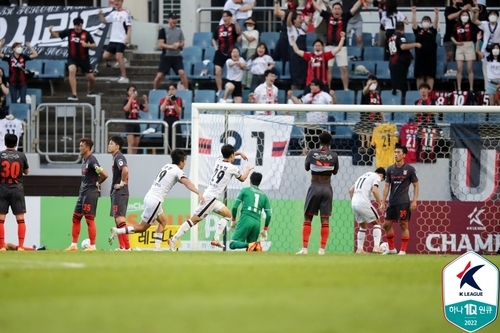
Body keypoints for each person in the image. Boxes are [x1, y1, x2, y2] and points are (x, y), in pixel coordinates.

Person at [109, 149, 204, 251]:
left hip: (149, 196)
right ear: (181, 161)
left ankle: (157, 248)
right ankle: (117, 231)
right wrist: (198, 193)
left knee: (163, 221)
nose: (185, 163)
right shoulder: (178, 171)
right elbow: (187, 183)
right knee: (142, 228)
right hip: (155, 201)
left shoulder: (167, 166)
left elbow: (172, 180)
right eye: (185, 161)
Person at [168, 144, 253, 251]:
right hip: (210, 198)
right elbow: (243, 179)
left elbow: (228, 155)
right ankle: (174, 239)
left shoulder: (218, 160)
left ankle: (216, 239)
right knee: (193, 220)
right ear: (232, 155)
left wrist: (239, 153)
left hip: (212, 197)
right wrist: (248, 170)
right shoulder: (233, 168)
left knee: (227, 214)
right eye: (234, 155)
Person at [296, 131, 338, 255]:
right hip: (327, 188)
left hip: (314, 187)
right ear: (330, 142)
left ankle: (304, 249)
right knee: (325, 220)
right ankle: (322, 250)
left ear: (319, 141)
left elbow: (306, 168)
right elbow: (335, 172)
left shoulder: (312, 153)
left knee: (307, 217)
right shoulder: (334, 155)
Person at [311, 0, 369, 90]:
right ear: (332, 10)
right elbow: (318, 8)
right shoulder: (327, 16)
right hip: (329, 47)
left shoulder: (345, 17)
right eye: (335, 9)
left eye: (338, 9)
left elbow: (354, 8)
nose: (337, 11)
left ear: (341, 11)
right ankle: (328, 89)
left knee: (344, 69)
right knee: (328, 69)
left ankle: (346, 89)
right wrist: (311, 1)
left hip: (341, 47)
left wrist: (361, 1)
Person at [64, 138, 108, 251]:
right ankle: (73, 245)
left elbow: (104, 174)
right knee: (76, 218)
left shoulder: (92, 160)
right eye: (79, 146)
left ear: (88, 147)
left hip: (90, 193)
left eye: (81, 146)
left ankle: (92, 246)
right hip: (82, 193)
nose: (79, 148)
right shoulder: (84, 160)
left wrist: (97, 183)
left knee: (89, 219)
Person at [380, 145, 419, 255]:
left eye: (398, 152)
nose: (396, 154)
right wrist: (383, 202)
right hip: (392, 202)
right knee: (386, 225)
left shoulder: (409, 169)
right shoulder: (390, 169)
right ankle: (392, 249)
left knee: (403, 225)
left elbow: (416, 185)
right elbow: (387, 186)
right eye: (395, 152)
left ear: (404, 155)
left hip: (403, 202)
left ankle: (403, 250)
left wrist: (415, 201)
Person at [49, 17, 97, 101]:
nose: (78, 28)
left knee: (91, 78)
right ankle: (74, 94)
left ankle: (90, 92)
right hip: (72, 57)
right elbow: (56, 35)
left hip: (84, 58)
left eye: (80, 26)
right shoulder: (69, 31)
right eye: (77, 26)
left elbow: (94, 44)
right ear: (74, 25)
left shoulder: (86, 33)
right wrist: (51, 31)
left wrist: (87, 45)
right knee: (72, 71)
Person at [287, 79, 335, 151]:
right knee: (310, 149)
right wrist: (291, 96)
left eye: (312, 85)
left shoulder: (325, 95)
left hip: (320, 126)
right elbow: (299, 103)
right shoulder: (308, 95)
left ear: (318, 86)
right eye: (311, 85)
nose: (311, 87)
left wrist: (333, 96)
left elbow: (333, 104)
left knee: (320, 148)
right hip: (309, 126)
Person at [0, 133, 29, 251]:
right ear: (16, 143)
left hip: (2, 189)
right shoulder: (21, 155)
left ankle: (2, 246)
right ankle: (21, 246)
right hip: (17, 189)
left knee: (1, 219)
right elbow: (27, 172)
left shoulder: (0, 155)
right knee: (20, 218)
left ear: (5, 142)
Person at [229, 172, 271, 251]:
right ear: (259, 182)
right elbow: (269, 215)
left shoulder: (245, 190)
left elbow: (234, 207)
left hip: (246, 218)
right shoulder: (264, 196)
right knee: (251, 249)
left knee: (232, 243)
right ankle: (254, 246)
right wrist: (265, 229)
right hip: (257, 223)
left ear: (250, 180)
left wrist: (233, 220)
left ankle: (251, 244)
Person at [349, 167, 386, 254]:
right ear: (381, 175)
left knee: (363, 225)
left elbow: (350, 191)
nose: (380, 181)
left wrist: (355, 203)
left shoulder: (363, 176)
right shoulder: (376, 177)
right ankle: (376, 247)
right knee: (377, 222)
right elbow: (374, 191)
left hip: (354, 202)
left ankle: (359, 249)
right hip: (363, 202)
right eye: (382, 179)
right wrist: (380, 203)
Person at [99, 0, 132, 83]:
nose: (116, 3)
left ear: (122, 2)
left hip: (121, 39)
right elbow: (104, 21)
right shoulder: (113, 13)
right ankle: (122, 59)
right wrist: (100, 14)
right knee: (105, 56)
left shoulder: (126, 13)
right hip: (113, 39)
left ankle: (124, 77)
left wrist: (127, 38)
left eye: (118, 1)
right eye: (115, 1)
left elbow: (129, 27)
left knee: (118, 56)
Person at [154, 12, 189, 91]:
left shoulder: (179, 30)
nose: (174, 20)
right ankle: (155, 89)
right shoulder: (163, 30)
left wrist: (179, 45)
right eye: (172, 19)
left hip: (177, 56)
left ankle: (186, 90)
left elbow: (182, 42)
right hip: (166, 56)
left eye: (176, 19)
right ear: (168, 20)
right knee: (159, 76)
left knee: (182, 73)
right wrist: (171, 46)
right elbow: (161, 44)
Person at [107, 136, 130, 251]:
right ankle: (122, 247)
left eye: (111, 143)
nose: (109, 145)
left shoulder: (119, 156)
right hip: (117, 192)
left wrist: (121, 183)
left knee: (120, 219)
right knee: (117, 219)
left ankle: (127, 247)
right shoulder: (115, 157)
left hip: (120, 192)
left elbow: (125, 170)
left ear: (117, 146)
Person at [213, 11, 241, 99]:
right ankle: (219, 90)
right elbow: (214, 39)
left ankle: (233, 90)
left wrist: (235, 22)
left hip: (231, 53)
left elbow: (238, 33)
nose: (224, 18)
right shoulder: (219, 28)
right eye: (223, 17)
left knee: (233, 71)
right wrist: (215, 47)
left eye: (226, 16)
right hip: (220, 52)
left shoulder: (233, 27)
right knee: (217, 72)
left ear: (230, 17)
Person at [0, 39, 38, 104]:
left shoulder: (23, 57)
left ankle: (23, 113)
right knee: (14, 101)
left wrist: (29, 46)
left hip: (23, 83)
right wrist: (1, 44)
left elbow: (35, 55)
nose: (20, 48)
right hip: (13, 83)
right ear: (14, 49)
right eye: (18, 46)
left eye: (20, 46)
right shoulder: (9, 57)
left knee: (23, 101)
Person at [451, 10, 480, 92]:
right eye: (463, 15)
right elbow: (452, 36)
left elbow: (475, 19)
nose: (464, 16)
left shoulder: (471, 24)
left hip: (469, 45)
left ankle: (471, 88)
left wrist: (474, 12)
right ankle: (459, 88)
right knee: (459, 68)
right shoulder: (456, 25)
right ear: (460, 16)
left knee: (469, 68)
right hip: (459, 46)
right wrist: (456, 42)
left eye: (466, 15)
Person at [388, 21, 421, 94]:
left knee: (395, 85)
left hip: (392, 62)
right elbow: (403, 46)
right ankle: (401, 101)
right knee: (400, 85)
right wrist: (415, 44)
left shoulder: (391, 37)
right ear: (403, 29)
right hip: (399, 63)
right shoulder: (400, 36)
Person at [412, 7, 439, 90]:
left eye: (428, 21)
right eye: (424, 20)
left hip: (431, 58)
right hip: (420, 57)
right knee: (420, 76)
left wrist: (437, 14)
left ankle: (429, 96)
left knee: (430, 76)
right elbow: (414, 24)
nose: (426, 22)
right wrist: (413, 13)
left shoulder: (432, 31)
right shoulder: (418, 31)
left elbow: (436, 23)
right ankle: (420, 94)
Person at [356, 75, 384, 150]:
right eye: (371, 82)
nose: (373, 84)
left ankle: (369, 146)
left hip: (375, 119)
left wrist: (384, 119)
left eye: (374, 82)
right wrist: (368, 85)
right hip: (365, 117)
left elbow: (381, 108)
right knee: (364, 129)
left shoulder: (378, 95)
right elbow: (364, 90)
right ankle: (363, 146)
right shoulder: (366, 93)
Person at [123, 85, 149, 154]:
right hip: (129, 122)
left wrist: (146, 101)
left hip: (136, 122)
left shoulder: (137, 102)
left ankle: (134, 157)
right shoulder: (126, 100)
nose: (132, 92)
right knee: (131, 143)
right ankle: (129, 159)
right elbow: (126, 109)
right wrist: (131, 98)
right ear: (128, 92)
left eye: (134, 90)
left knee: (136, 144)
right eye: (131, 90)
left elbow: (146, 110)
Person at [444, 0, 468, 66]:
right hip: (449, 37)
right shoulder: (448, 9)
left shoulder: (463, 10)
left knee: (460, 58)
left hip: (461, 38)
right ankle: (446, 72)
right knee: (449, 56)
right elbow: (450, 17)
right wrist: (462, 11)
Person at [159, 84, 183, 151]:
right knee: (167, 140)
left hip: (175, 120)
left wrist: (174, 103)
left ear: (175, 90)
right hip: (166, 120)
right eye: (170, 89)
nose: (171, 91)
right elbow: (162, 109)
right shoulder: (163, 99)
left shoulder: (178, 100)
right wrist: (166, 100)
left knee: (177, 140)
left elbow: (179, 111)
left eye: (173, 89)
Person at [240, 17, 259, 89]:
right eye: (247, 24)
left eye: (251, 24)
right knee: (243, 67)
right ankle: (242, 85)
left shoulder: (256, 32)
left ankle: (249, 86)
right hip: (244, 50)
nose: (249, 25)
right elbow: (238, 40)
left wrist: (243, 33)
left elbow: (250, 39)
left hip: (252, 50)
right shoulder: (245, 32)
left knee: (250, 68)